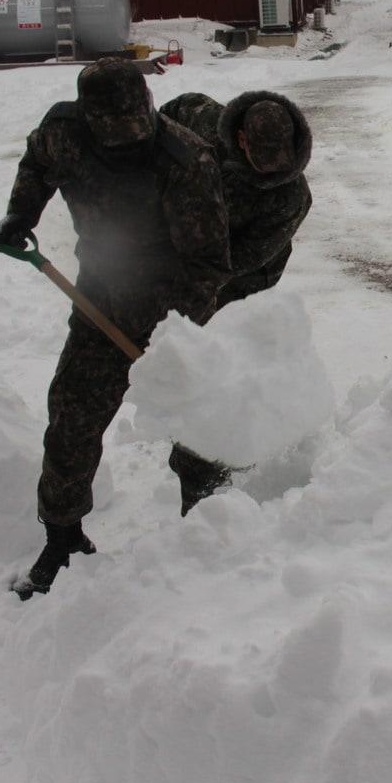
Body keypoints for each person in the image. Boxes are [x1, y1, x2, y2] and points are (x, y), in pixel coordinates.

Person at [0, 58, 231, 598]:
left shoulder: (185, 158)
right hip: (100, 293)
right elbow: (35, 165)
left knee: (196, 416)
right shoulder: (64, 134)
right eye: (114, 137)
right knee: (72, 413)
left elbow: (209, 264)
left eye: (135, 133)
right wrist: (20, 215)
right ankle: (63, 536)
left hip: (174, 306)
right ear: (89, 119)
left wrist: (171, 338)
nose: (126, 145)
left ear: (148, 108)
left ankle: (214, 521)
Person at [158, 90, 314, 514]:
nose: (269, 175)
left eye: (278, 166)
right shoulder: (206, 120)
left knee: (220, 371)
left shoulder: (291, 196)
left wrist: (185, 259)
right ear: (241, 137)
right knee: (183, 364)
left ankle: (205, 477)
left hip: (241, 283)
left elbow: (239, 260)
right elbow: (166, 117)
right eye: (259, 163)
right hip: (189, 261)